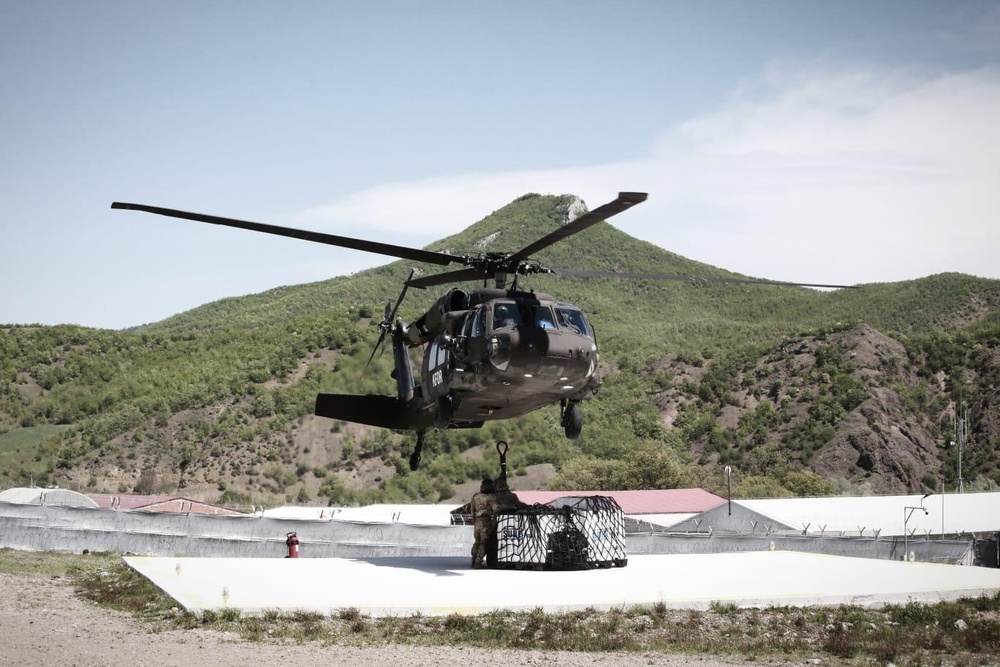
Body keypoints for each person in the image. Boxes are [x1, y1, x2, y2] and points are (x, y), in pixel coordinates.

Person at [469, 478, 497, 569]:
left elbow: (472, 510)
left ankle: (474, 560)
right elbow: (495, 510)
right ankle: (478, 562)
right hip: (486, 522)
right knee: (484, 543)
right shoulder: (491, 497)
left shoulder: (475, 496)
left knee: (477, 542)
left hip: (477, 522)